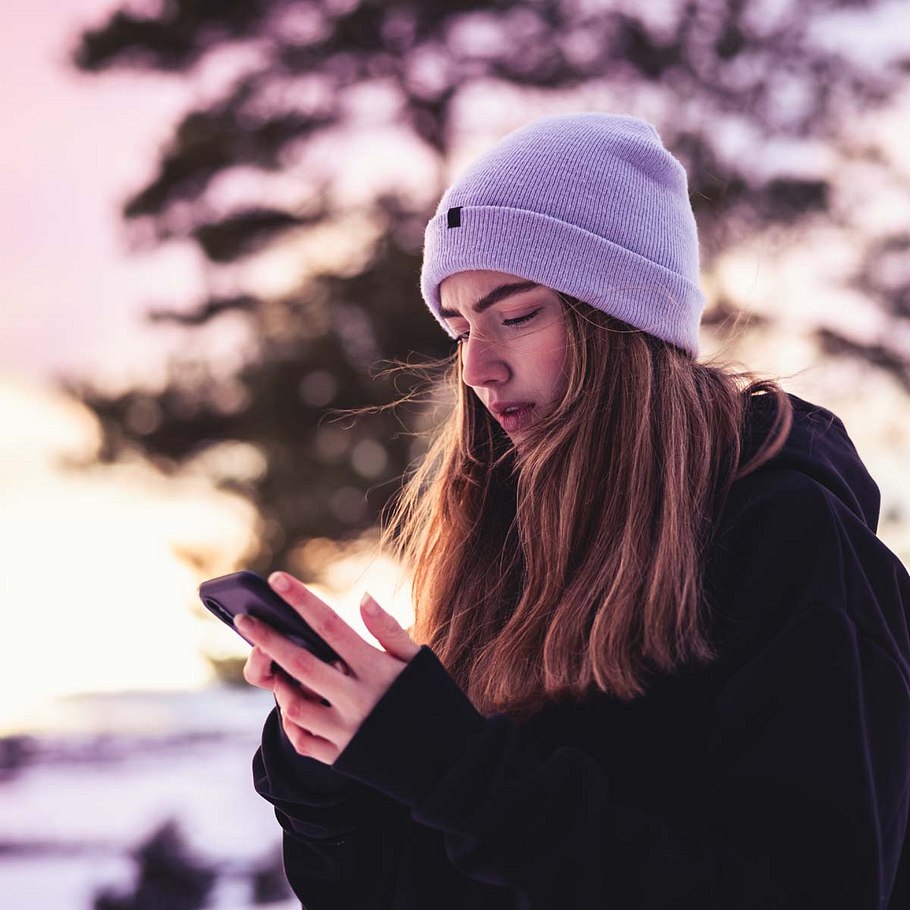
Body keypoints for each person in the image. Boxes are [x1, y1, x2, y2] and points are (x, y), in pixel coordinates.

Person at [237, 113, 910, 909]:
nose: (478, 368)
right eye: (457, 330)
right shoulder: (499, 549)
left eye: (516, 314)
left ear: (623, 319)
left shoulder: (790, 538)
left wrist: (453, 768)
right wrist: (333, 772)